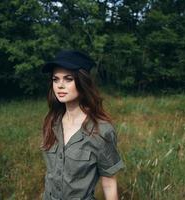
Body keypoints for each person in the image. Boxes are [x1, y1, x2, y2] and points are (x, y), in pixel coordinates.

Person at [41, 50, 125, 200]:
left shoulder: (101, 130)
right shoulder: (51, 122)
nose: (60, 85)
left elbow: (109, 183)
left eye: (68, 79)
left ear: (82, 82)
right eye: (55, 79)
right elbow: (51, 174)